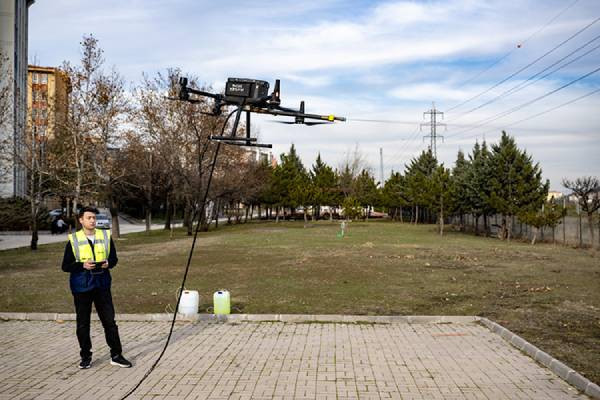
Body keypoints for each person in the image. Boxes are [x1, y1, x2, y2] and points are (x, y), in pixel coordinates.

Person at [61, 206, 132, 369]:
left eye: (94, 217)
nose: (92, 220)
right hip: (82, 287)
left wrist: (109, 263)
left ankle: (116, 355)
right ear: (81, 220)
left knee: (109, 322)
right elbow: (65, 266)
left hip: (102, 285)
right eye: (89, 218)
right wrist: (82, 265)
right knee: (83, 323)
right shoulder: (74, 239)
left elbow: (114, 259)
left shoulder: (105, 236)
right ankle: (86, 356)